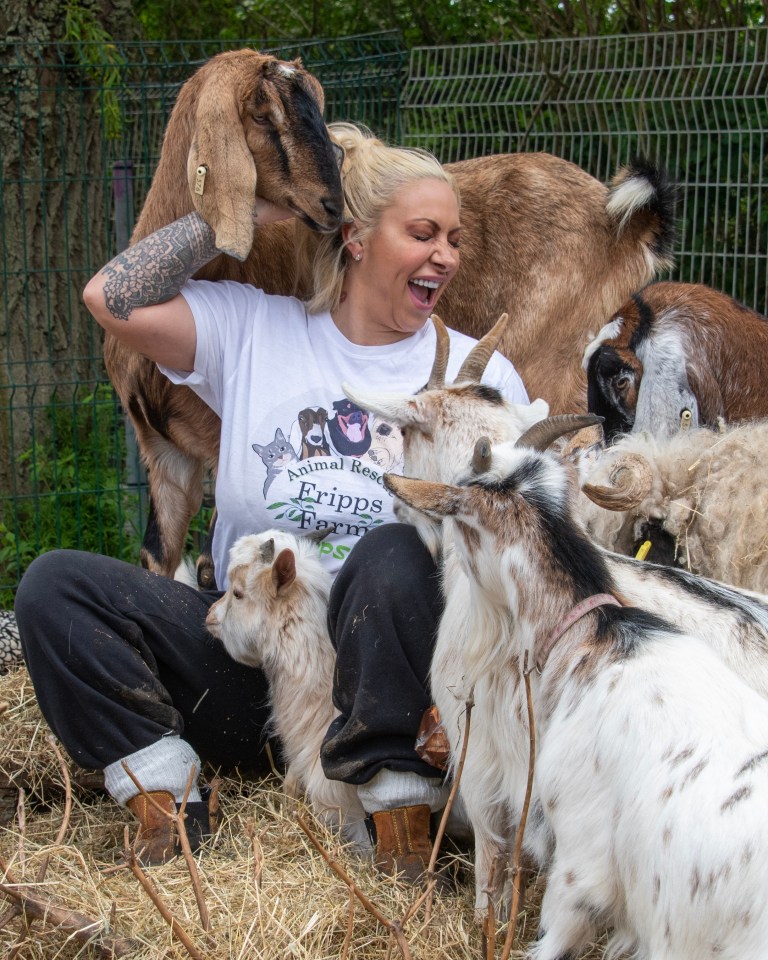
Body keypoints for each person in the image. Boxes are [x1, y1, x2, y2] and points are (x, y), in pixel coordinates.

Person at [15, 122, 529, 879]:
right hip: (249, 667)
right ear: (355, 238)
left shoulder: (479, 379)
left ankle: (401, 820)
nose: (446, 255)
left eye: (453, 237)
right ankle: (169, 791)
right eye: (424, 233)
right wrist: (243, 213)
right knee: (55, 589)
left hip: (391, 686)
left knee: (391, 556)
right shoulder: (252, 328)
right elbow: (108, 296)